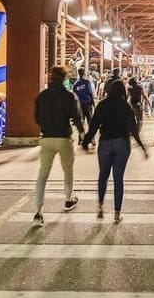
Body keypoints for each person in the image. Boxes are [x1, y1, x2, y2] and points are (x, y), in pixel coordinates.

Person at [83, 79, 148, 222]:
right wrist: (142, 147)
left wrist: (86, 141)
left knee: (103, 176)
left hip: (105, 143)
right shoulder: (126, 106)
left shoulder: (102, 105)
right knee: (118, 179)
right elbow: (133, 129)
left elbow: (93, 126)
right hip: (122, 144)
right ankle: (117, 214)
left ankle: (100, 206)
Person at [32, 65, 85, 226]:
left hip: (47, 137)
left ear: (50, 77)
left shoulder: (42, 96)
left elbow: (37, 118)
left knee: (43, 175)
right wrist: (82, 134)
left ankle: (38, 213)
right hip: (63, 137)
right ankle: (68, 200)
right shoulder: (69, 96)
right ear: (65, 78)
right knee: (67, 171)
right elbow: (76, 117)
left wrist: (46, 126)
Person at [72, 67, 95, 132]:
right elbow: (90, 93)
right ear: (84, 73)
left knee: (81, 121)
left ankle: (81, 138)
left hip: (79, 104)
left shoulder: (75, 84)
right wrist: (93, 103)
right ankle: (91, 137)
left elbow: (74, 96)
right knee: (89, 120)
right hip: (88, 103)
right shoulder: (87, 82)